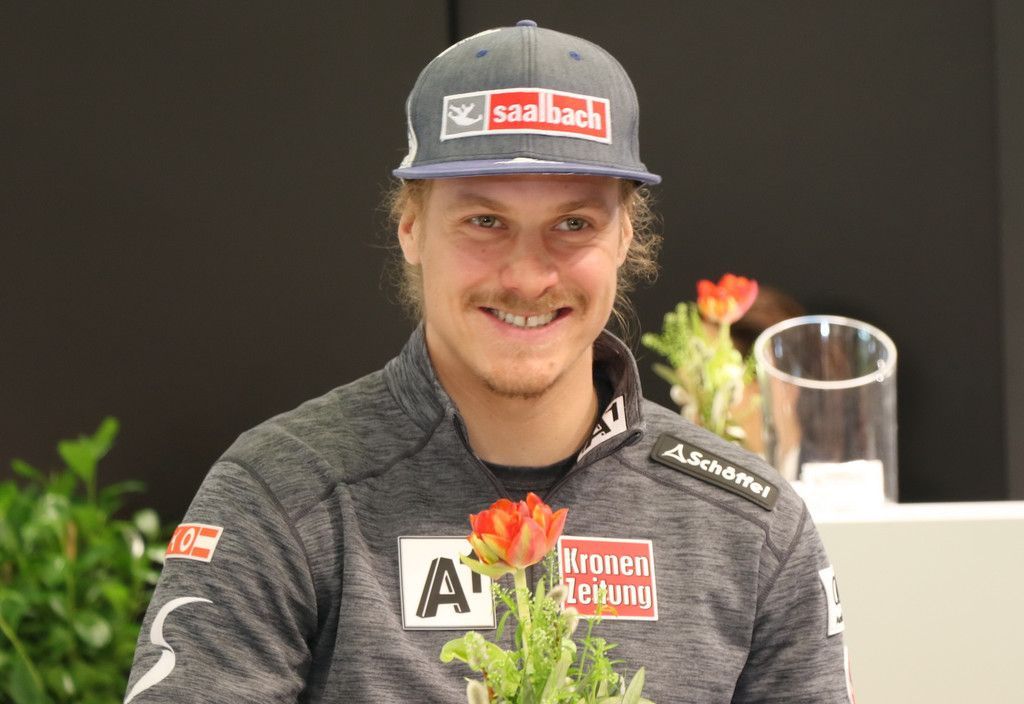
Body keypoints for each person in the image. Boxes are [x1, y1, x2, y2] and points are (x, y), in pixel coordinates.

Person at [124, 20, 853, 703]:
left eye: (573, 223)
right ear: (411, 227)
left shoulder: (751, 523)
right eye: (485, 221)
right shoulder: (282, 495)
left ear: (626, 237)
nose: (528, 277)